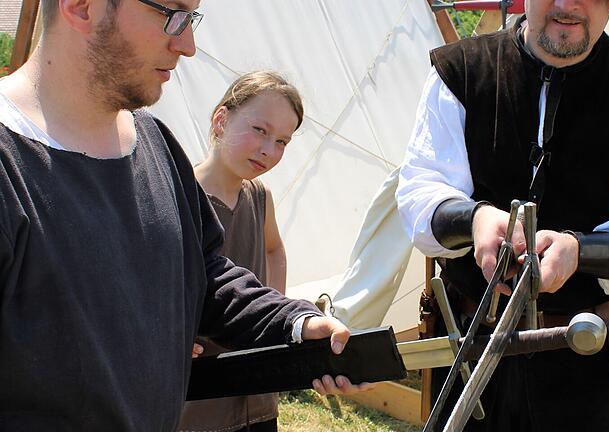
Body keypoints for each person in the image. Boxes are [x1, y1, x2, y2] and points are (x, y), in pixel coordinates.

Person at [0, 1, 368, 430]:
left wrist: (294, 322)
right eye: (171, 13)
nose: (188, 45)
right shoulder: (9, 165)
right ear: (82, 7)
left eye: (191, 17)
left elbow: (204, 274)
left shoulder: (154, 142)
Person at [395, 0, 609, 430]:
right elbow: (422, 191)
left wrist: (576, 251)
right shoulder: (459, 71)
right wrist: (475, 221)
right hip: (470, 346)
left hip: (585, 358)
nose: (568, 5)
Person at [177, 71, 302, 431]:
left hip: (256, 390)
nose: (269, 149)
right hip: (198, 395)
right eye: (260, 130)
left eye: (282, 141)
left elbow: (275, 249)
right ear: (221, 120)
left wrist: (274, 314)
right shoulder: (179, 195)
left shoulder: (259, 197)